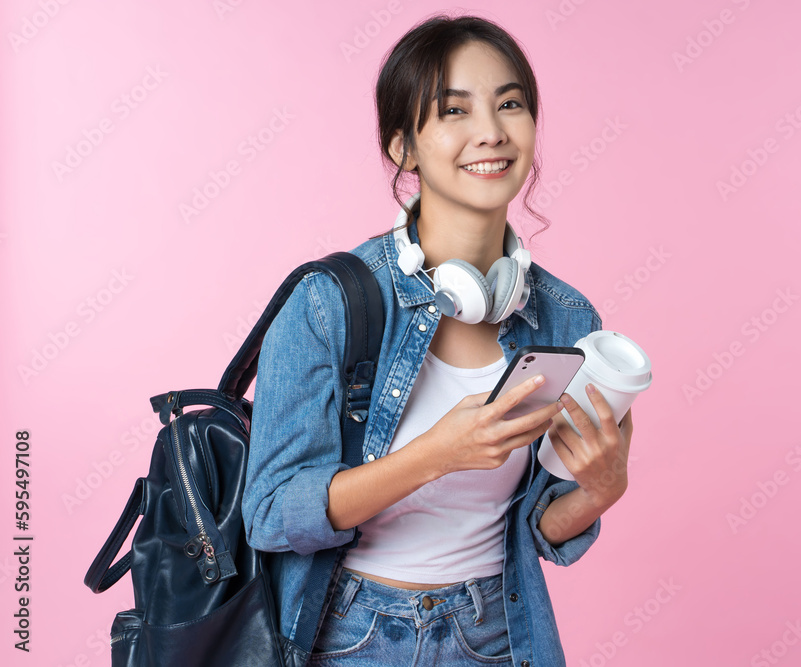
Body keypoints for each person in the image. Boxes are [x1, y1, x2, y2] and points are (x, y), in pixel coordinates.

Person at [243, 13, 634, 667]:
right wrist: (438, 453)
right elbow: (273, 512)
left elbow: (541, 529)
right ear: (404, 147)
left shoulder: (567, 320)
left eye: (510, 104)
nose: (491, 131)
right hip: (348, 636)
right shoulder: (329, 302)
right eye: (455, 111)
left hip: (496, 636)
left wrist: (600, 488)